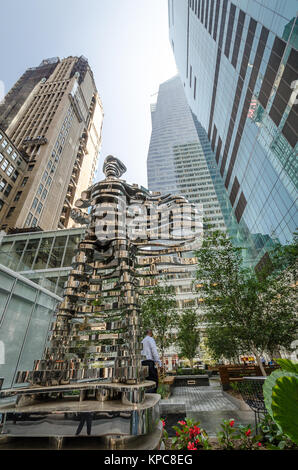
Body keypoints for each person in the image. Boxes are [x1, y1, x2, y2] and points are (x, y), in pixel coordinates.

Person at [141, 329, 161, 393]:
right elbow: (154, 351)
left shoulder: (142, 341)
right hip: (149, 363)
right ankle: (152, 398)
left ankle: (147, 397)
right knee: (154, 381)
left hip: (142, 363)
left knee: (146, 382)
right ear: (150, 333)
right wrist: (158, 362)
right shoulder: (150, 339)